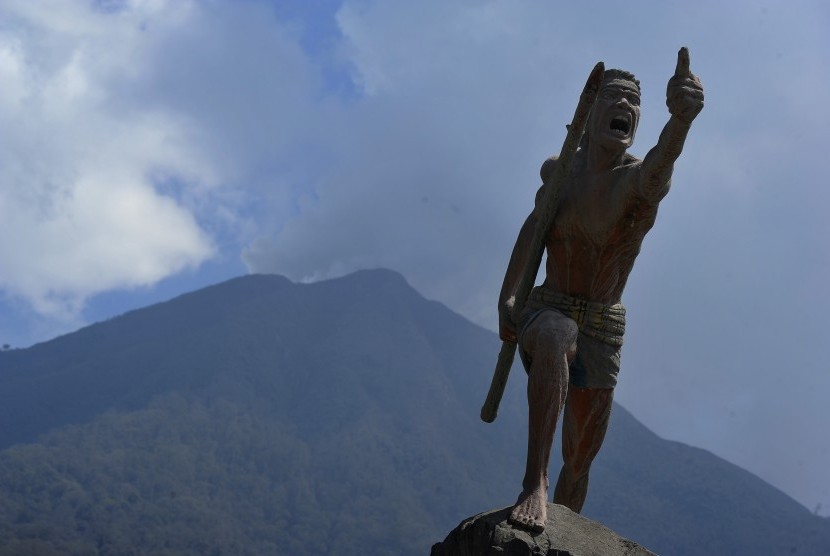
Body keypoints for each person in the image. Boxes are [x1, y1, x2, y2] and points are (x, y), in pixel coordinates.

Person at [498, 48, 704, 532]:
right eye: (614, 97)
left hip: (604, 324)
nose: (626, 107)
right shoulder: (558, 176)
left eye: (635, 102)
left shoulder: (636, 183)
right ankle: (534, 482)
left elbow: (660, 164)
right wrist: (508, 297)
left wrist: (680, 124)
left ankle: (564, 521)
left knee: (582, 452)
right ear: (589, 115)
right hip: (547, 307)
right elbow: (532, 232)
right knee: (555, 333)